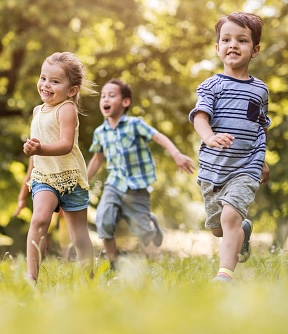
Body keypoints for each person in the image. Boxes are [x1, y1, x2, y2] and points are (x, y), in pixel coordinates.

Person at [189, 12, 271, 282]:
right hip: (213, 170)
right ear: (217, 48)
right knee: (219, 227)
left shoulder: (260, 90)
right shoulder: (211, 85)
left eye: (242, 40)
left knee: (230, 217)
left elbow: (261, 126)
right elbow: (200, 117)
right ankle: (242, 233)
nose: (233, 45)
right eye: (226, 39)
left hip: (246, 167)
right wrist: (210, 137)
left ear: (255, 50)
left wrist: (262, 159)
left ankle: (224, 275)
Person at [87, 78, 195, 269]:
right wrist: (83, 182)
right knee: (104, 220)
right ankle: (114, 263)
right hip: (114, 184)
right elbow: (97, 159)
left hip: (137, 186)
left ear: (125, 102)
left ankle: (154, 251)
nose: (106, 99)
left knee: (144, 233)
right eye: (103, 96)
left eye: (111, 95)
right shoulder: (100, 132)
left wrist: (176, 154)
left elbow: (158, 136)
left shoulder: (135, 124)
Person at [20, 52, 95, 283]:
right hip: (44, 177)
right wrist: (28, 178)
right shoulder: (36, 111)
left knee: (79, 236)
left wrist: (39, 149)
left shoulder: (66, 109)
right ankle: (31, 277)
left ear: (72, 90)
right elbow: (36, 154)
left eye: (55, 81)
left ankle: (90, 280)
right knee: (40, 219)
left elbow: (65, 144)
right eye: (43, 78)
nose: (45, 85)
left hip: (71, 178)